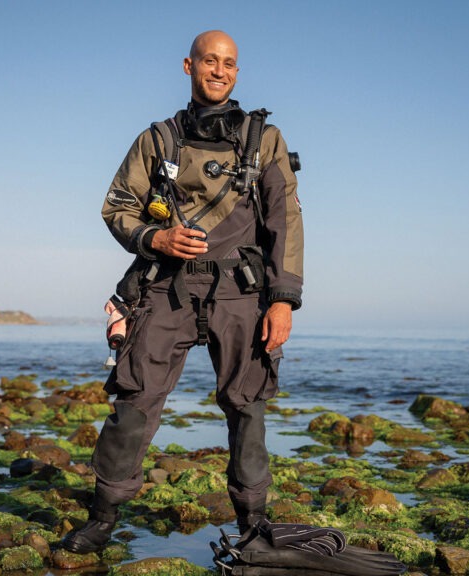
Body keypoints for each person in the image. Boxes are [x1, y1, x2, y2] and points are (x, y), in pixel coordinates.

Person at [62, 30, 303, 554]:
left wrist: (283, 299)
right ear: (188, 65)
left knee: (247, 409)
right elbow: (117, 205)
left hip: (242, 292)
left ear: (237, 73)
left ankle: (254, 527)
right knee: (133, 404)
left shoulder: (266, 140)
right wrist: (156, 237)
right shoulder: (157, 138)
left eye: (230, 64)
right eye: (209, 61)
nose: (219, 71)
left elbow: (286, 221)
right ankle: (102, 520)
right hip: (165, 287)